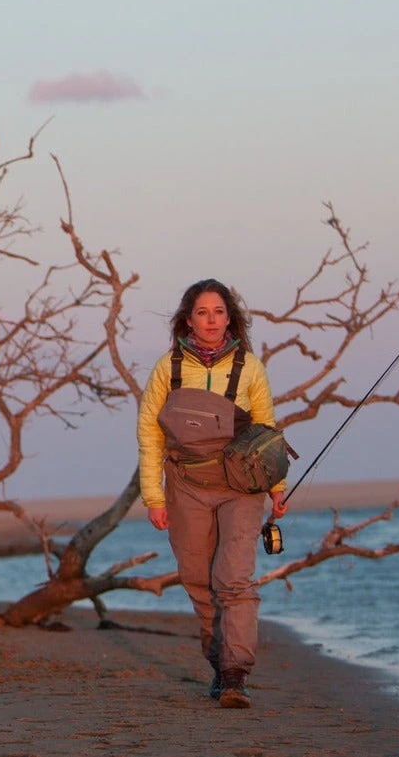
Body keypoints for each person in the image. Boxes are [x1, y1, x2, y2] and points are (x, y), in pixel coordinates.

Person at [136, 278, 287, 709]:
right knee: (198, 580)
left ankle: (236, 675)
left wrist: (277, 489)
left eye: (218, 312)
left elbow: (267, 431)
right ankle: (220, 666)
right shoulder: (167, 368)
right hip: (185, 485)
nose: (211, 320)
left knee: (234, 579)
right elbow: (149, 432)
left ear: (229, 318)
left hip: (241, 486)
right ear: (189, 320)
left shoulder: (250, 367)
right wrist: (154, 498)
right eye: (202, 313)